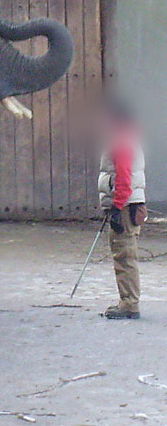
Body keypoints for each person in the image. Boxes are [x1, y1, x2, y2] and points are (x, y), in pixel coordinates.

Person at [98, 101, 147, 320]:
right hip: (131, 205)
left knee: (124, 253)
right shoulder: (131, 138)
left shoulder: (121, 142)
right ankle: (128, 301)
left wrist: (117, 208)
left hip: (125, 207)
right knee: (127, 252)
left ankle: (129, 304)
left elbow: (124, 180)